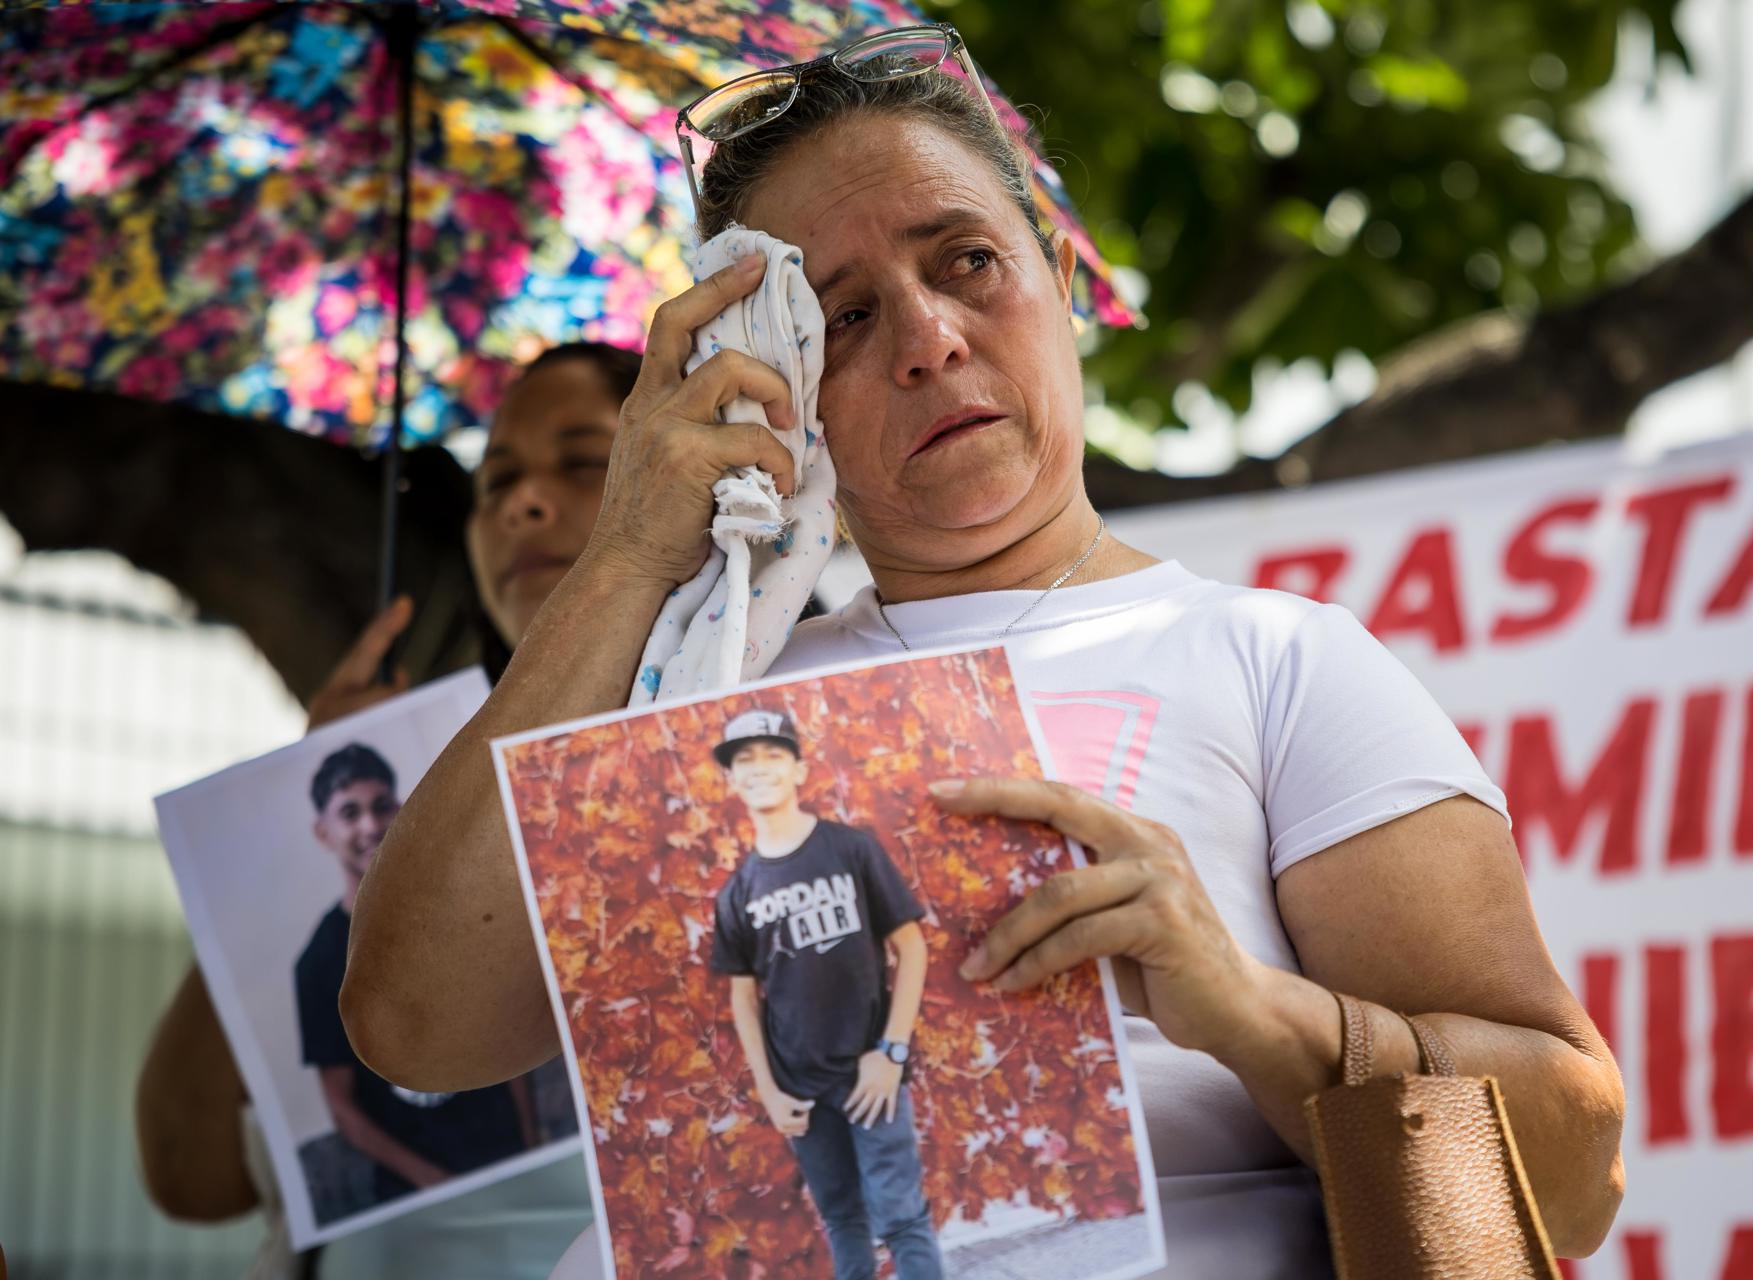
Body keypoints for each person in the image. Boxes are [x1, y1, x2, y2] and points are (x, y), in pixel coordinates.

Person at [343, 33, 1627, 1277]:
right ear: (771, 381)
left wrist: (1249, 1007)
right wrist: (626, 548)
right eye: (841, 316)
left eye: (966, 259)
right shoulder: (705, 700)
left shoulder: (1273, 657)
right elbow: (416, 1028)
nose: (927, 336)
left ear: (1058, 280)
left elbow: (1572, 1176)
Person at [136, 341, 642, 1277]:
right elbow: (190, 1175)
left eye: (582, 460)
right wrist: (293, 805)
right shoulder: (406, 795)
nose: (523, 504)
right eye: (496, 482)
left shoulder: (768, 747)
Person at [708, 710, 939, 1280]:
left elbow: (911, 950)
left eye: (772, 756)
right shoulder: (736, 893)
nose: (759, 769)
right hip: (800, 1092)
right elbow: (744, 999)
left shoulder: (850, 850)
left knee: (902, 1217)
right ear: (731, 781)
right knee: (841, 1219)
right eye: (745, 761)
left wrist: (892, 1054)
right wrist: (768, 1091)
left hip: (871, 1076)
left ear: (799, 770)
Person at [297, 743, 533, 1213]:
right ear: (324, 832)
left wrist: (531, 1144)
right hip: (418, 1198)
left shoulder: (457, 912)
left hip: (506, 1164)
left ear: (401, 808)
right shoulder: (319, 961)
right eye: (350, 812)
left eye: (381, 806)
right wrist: (432, 1182)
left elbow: (500, 1039)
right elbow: (341, 1108)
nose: (370, 825)